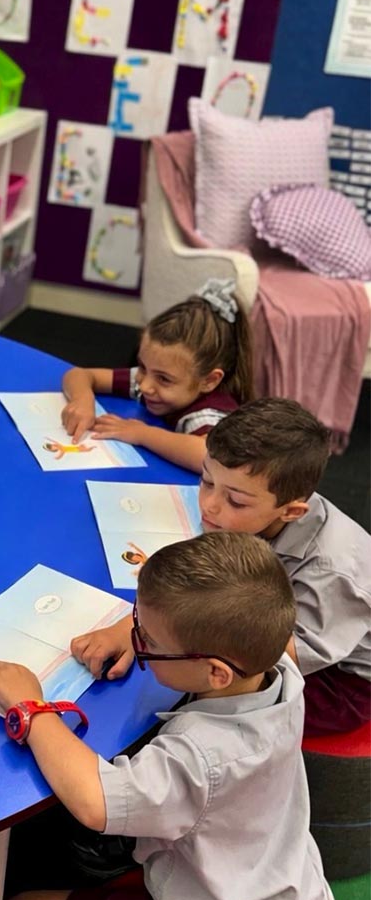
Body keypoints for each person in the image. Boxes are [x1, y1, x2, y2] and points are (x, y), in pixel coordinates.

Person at [0, 532, 341, 900]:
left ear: (216, 672)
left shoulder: (200, 760)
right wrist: (140, 633)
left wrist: (31, 707)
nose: (138, 644)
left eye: (149, 643)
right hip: (280, 896)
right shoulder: (280, 671)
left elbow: (95, 802)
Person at [73, 399, 371, 734]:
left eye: (236, 501)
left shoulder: (334, 570)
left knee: (198, 680)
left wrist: (142, 634)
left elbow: (265, 646)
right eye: (206, 481)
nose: (209, 506)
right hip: (273, 620)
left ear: (291, 512)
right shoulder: (256, 502)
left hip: (336, 683)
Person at [60, 279, 252, 473]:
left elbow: (209, 456)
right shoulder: (153, 377)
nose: (144, 386)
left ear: (209, 381)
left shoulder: (208, 413)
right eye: (142, 366)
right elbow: (79, 374)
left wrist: (142, 433)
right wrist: (82, 400)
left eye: (164, 379)